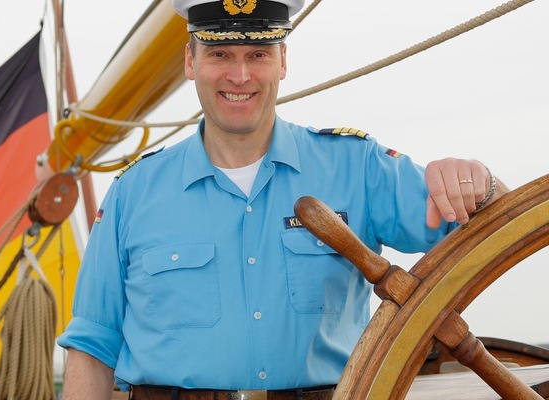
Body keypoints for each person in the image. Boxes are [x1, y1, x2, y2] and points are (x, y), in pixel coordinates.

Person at [57, 0, 510, 398]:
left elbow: (504, 229)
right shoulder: (132, 193)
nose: (240, 75)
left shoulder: (359, 167)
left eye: (258, 54)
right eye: (219, 54)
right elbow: (93, 346)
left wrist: (481, 183)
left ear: (283, 60)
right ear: (190, 61)